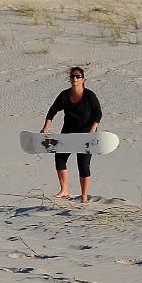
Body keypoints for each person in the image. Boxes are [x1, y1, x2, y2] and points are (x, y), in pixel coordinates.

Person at [41, 65, 102, 203]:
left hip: (86, 135)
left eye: (78, 76)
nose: (75, 78)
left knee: (83, 164)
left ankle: (84, 195)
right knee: (60, 158)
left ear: (83, 80)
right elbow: (52, 111)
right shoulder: (64, 95)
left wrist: (92, 130)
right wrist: (46, 127)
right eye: (72, 76)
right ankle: (64, 190)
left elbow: (98, 114)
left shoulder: (90, 96)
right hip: (68, 133)